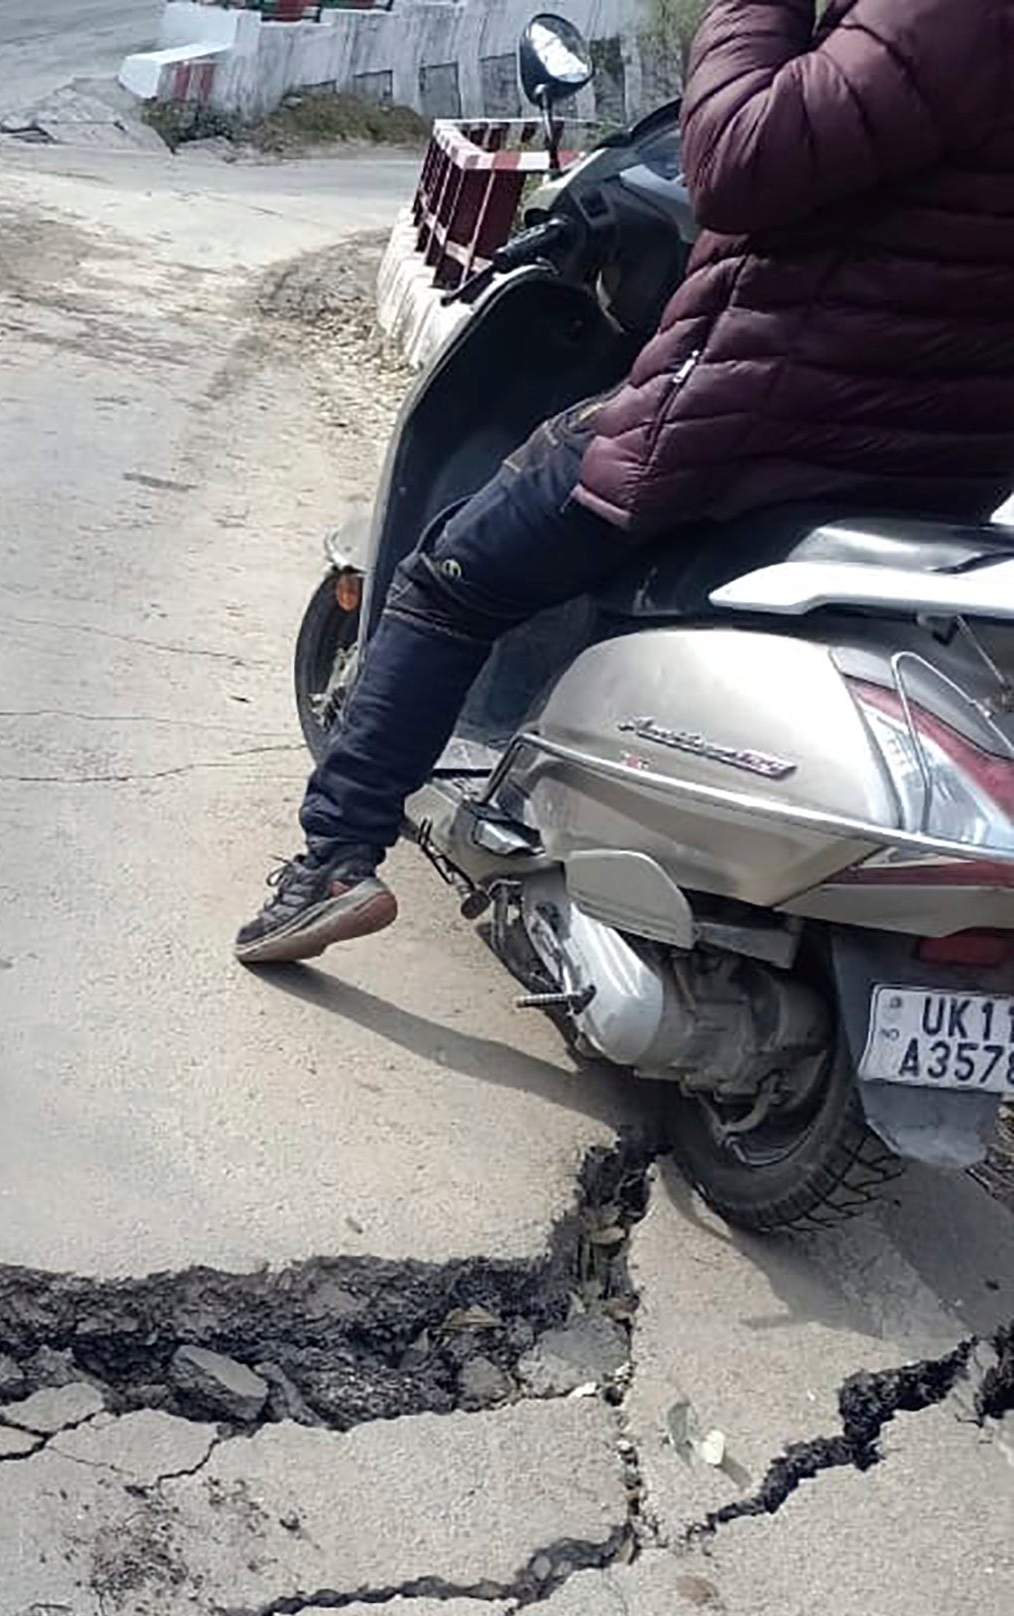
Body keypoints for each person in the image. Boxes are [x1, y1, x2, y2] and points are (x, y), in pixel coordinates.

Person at [234, 0, 1014, 967]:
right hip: (948, 464)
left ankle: (332, 864)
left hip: (760, 425)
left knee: (448, 580)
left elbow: (735, 160)